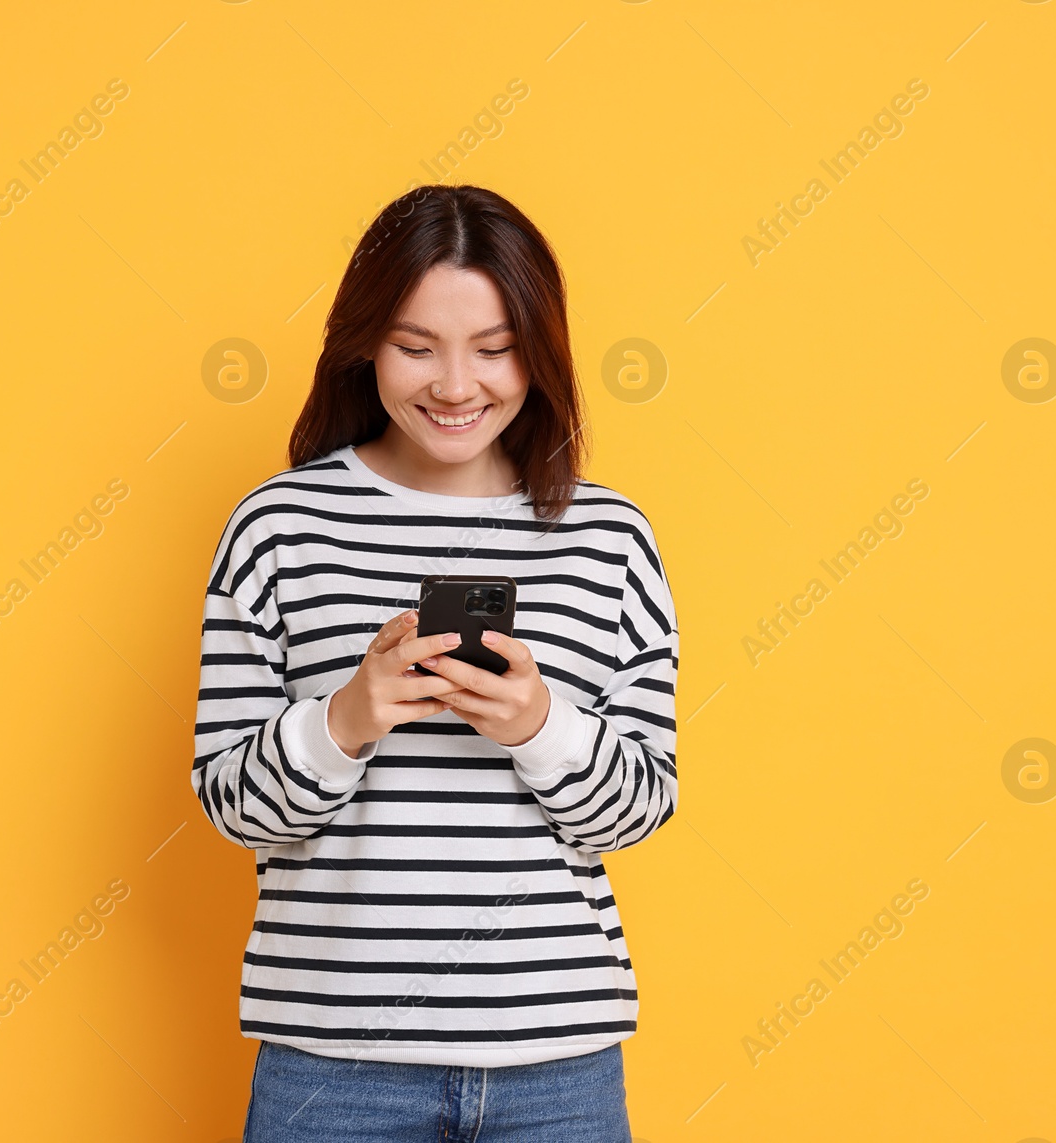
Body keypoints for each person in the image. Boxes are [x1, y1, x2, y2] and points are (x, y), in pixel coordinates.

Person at [192, 184, 679, 1142]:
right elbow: (229, 803)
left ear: (540, 353)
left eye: (495, 349)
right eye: (417, 346)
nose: (457, 385)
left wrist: (540, 726)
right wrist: (347, 720)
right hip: (331, 1064)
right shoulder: (280, 527)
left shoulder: (609, 538)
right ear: (362, 344)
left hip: (555, 1065)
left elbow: (641, 808)